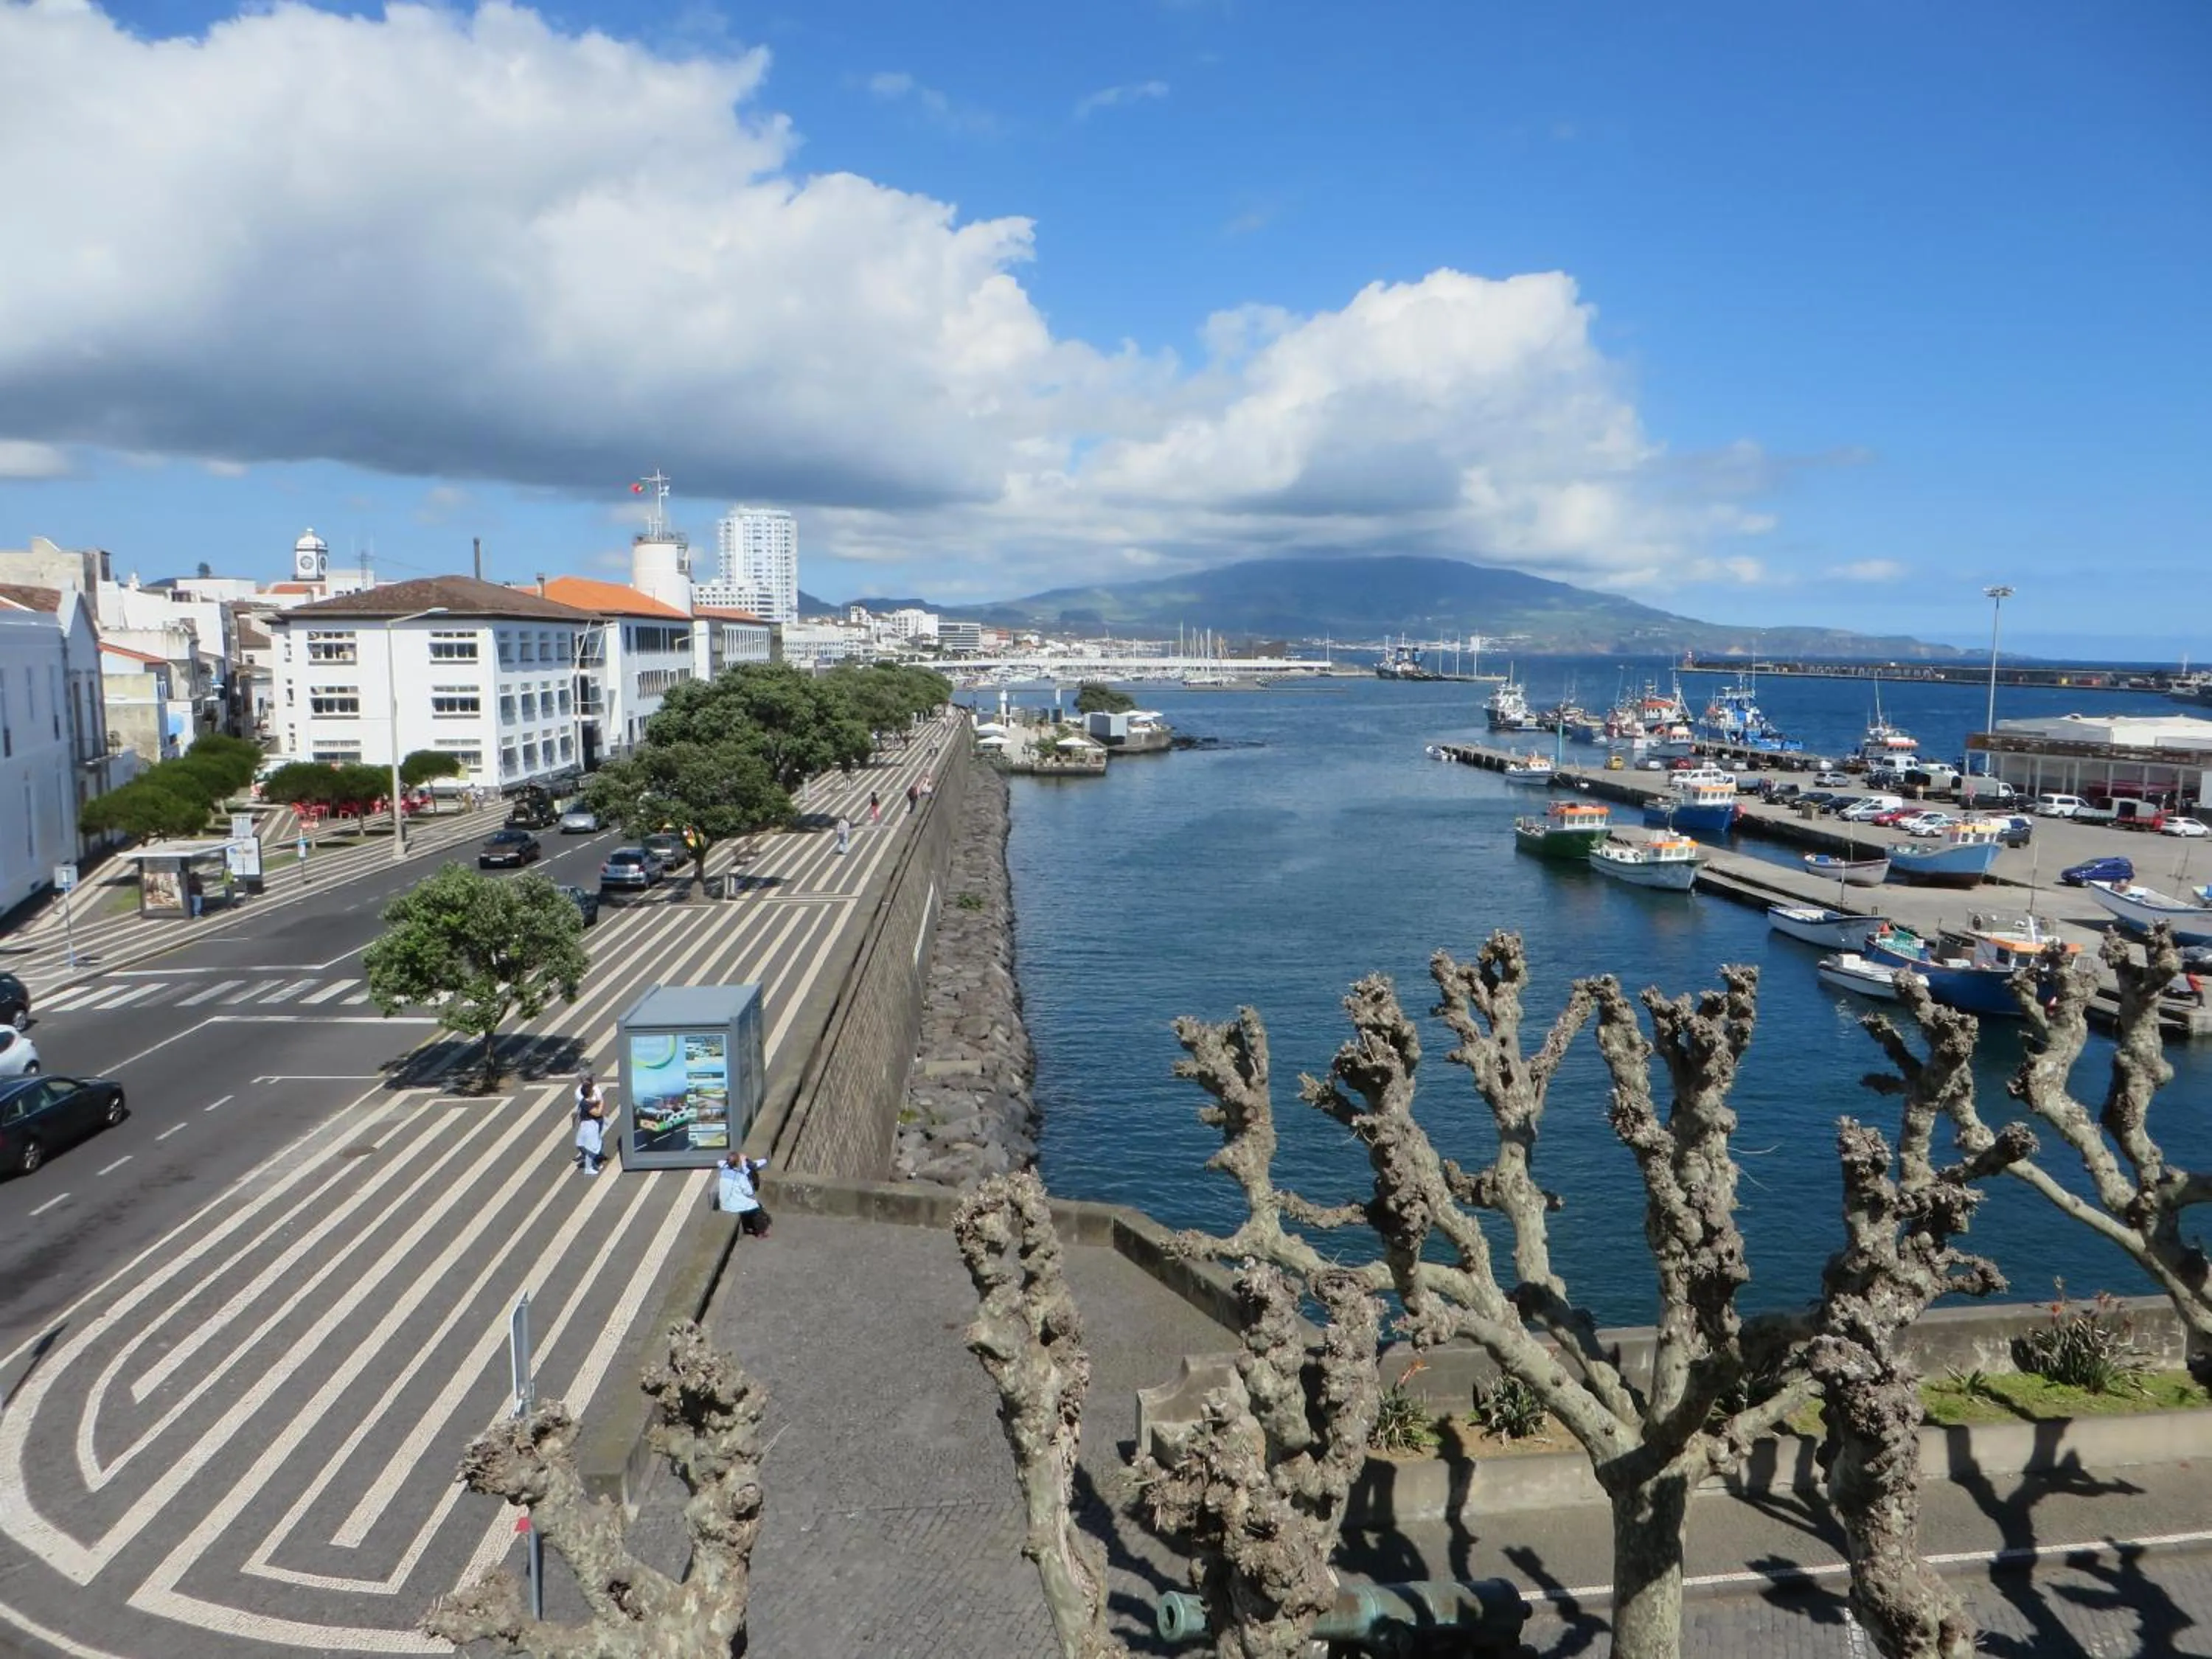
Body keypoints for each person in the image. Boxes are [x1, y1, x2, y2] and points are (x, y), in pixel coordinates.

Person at [716, 1151, 771, 1236]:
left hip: (724, 1204)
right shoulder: (741, 1176)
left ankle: (748, 1225)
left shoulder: (723, 1171)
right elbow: (749, 1192)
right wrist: (746, 1161)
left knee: (745, 1204)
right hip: (735, 1206)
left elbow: (719, 1162)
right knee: (756, 1207)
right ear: (738, 1163)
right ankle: (761, 1231)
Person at [573, 1071, 607, 1174]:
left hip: (594, 1121)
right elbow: (597, 1113)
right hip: (591, 1122)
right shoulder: (582, 1098)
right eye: (589, 1081)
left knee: (596, 1140)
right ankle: (590, 1165)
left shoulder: (593, 1089)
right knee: (591, 1144)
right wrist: (600, 1103)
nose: (592, 1083)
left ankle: (595, 1158)